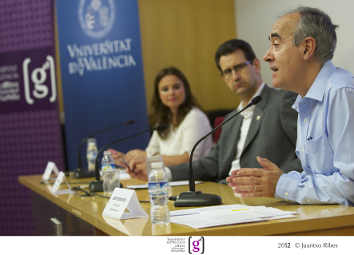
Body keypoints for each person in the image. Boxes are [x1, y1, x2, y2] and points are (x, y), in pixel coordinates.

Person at [228, 7, 354, 205]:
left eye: (276, 44)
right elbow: (320, 179)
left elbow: (350, 186)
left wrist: (282, 185)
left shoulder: (342, 92)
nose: (267, 55)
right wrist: (279, 181)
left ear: (306, 48)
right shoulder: (304, 102)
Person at [128, 39, 301, 182]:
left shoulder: (283, 101)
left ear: (255, 65)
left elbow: (307, 157)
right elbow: (211, 164)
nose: (235, 76)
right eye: (227, 71)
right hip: (227, 197)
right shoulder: (230, 119)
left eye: (239, 67)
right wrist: (162, 174)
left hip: (265, 199)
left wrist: (279, 180)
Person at [110, 66, 213, 168]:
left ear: (185, 89)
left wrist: (146, 157)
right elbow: (150, 153)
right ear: (159, 95)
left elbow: (189, 159)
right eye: (165, 89)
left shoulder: (195, 117)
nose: (171, 93)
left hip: (197, 180)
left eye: (176, 87)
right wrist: (126, 159)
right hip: (170, 178)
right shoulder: (163, 121)